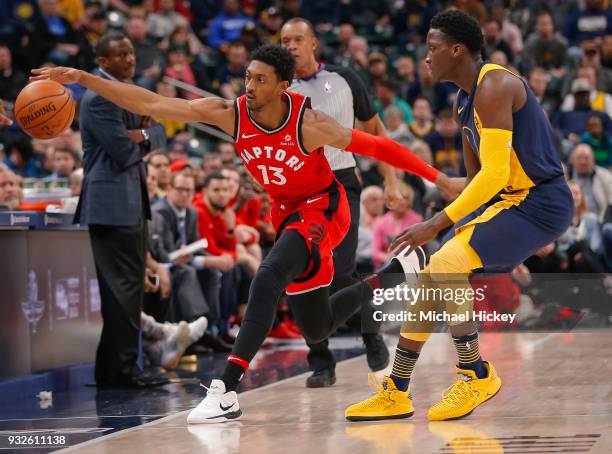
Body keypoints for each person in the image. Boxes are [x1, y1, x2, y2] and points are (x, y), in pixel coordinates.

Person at [32, 44, 459, 423]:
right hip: (288, 214)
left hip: (323, 210)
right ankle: (398, 271)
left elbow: (380, 147)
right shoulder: (229, 113)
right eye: (247, 77)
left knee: (267, 278)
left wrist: (438, 178)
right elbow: (151, 101)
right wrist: (82, 79)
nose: (249, 85)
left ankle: (226, 390)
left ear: (284, 85)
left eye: (259, 79)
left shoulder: (309, 123)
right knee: (318, 327)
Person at [345, 9, 573, 422]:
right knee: (436, 271)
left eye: (432, 49)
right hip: (509, 202)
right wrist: (460, 217)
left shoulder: (495, 84)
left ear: (457, 49)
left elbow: (496, 173)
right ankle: (396, 389)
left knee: (448, 259)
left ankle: (476, 373)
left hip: (541, 201)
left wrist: (437, 223)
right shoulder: (462, 101)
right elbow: (476, 181)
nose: (426, 58)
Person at [63, 33, 168, 388]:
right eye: (120, 55)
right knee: (122, 292)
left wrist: (141, 134)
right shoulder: (98, 99)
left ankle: (114, 370)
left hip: (128, 201)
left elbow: (156, 132)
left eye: (131, 52)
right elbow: (124, 153)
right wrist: (146, 134)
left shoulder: (125, 94)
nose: (130, 59)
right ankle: (122, 370)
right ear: (102, 62)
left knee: (126, 291)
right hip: (110, 204)